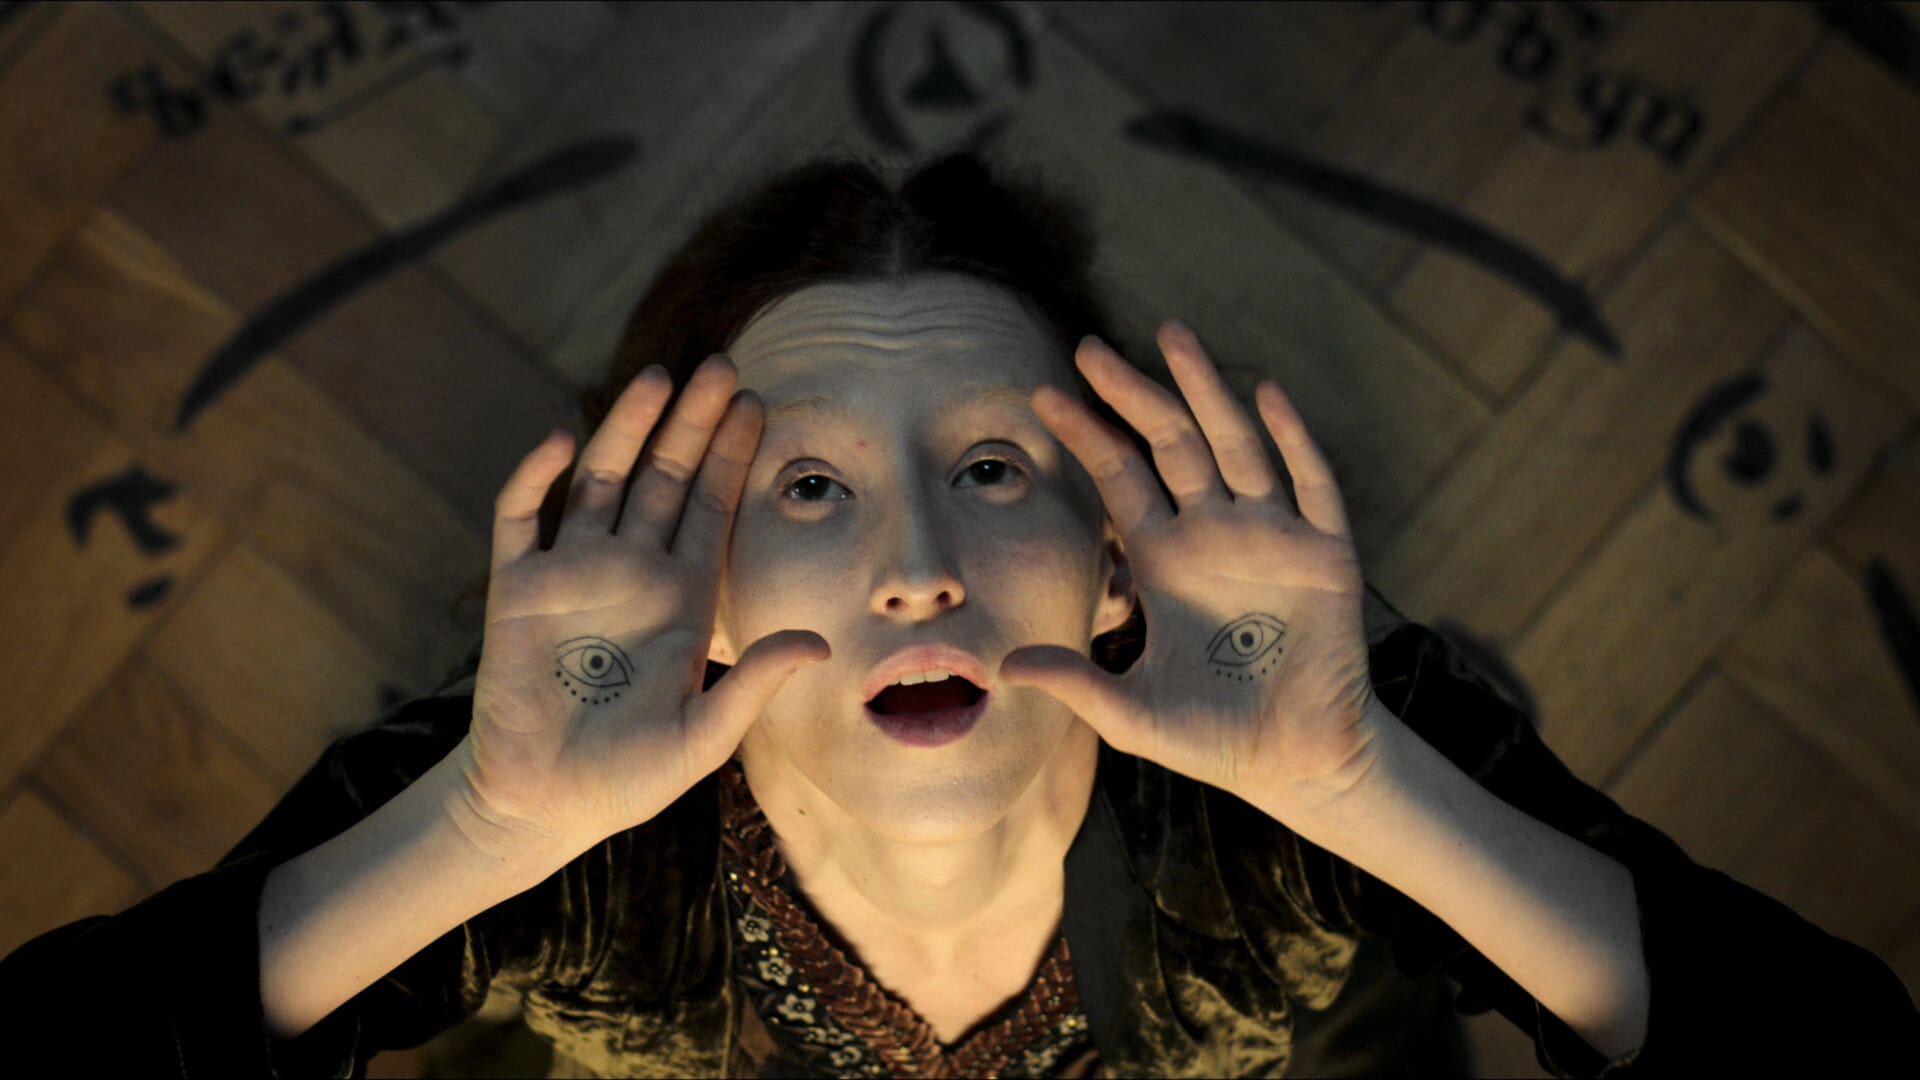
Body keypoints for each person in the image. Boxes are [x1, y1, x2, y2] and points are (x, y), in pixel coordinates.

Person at [2, 152, 1915, 1079]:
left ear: (1116, 554)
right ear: (697, 582)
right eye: (807, 490)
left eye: (994, 467)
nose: (914, 561)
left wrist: (1365, 794)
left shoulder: (1312, 725)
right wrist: (482, 833)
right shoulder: (539, 788)